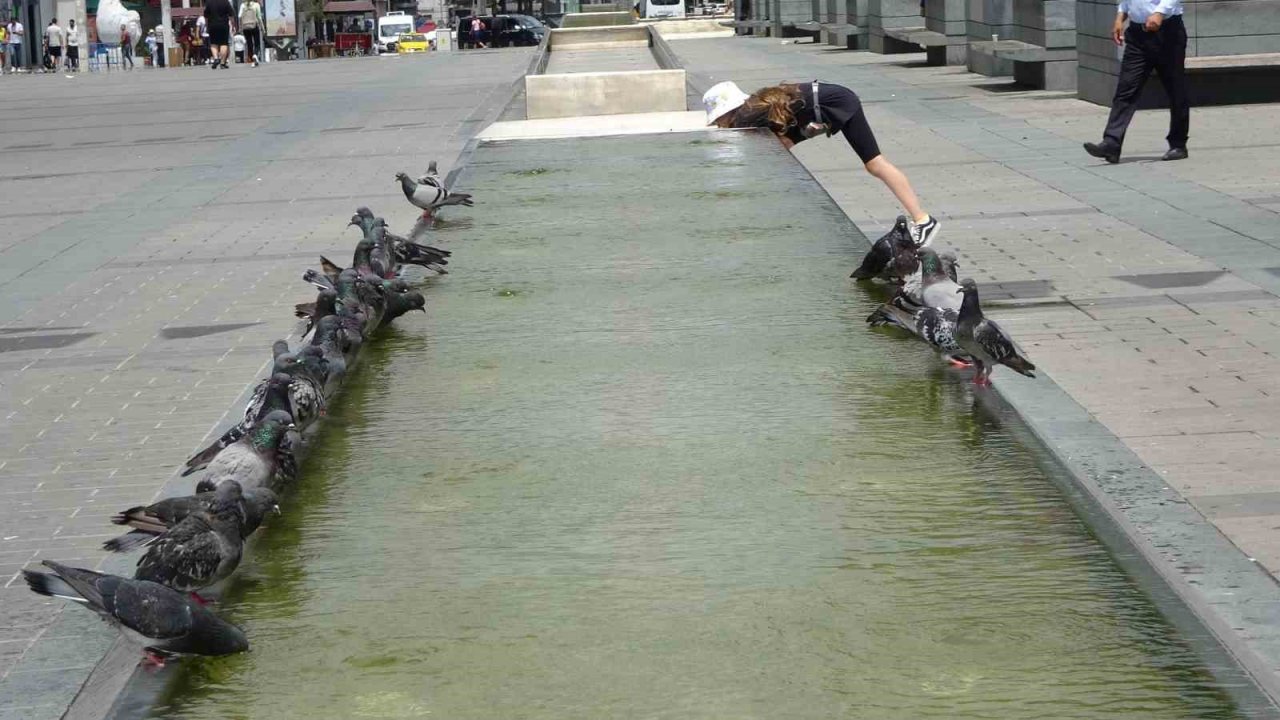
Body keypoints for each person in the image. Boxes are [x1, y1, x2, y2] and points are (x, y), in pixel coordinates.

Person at [704, 81, 941, 248]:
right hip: (826, 103)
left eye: (718, 119)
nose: (718, 125)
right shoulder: (752, 108)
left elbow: (753, 156)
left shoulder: (746, 117)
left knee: (875, 163)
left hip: (835, 102)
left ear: (727, 112)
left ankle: (923, 220)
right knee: (779, 151)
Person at [1085, 0, 1188, 164]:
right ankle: (1111, 143)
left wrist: (1160, 12)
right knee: (1125, 89)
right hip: (1137, 36)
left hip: (1167, 32)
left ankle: (1178, 144)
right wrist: (1120, 17)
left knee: (1175, 90)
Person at [203, 0, 234, 69]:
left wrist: (207, 25)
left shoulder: (209, 2)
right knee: (224, 43)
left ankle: (216, 58)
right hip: (224, 25)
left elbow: (206, 16)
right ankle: (222, 63)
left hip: (212, 25)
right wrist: (233, 25)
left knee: (213, 43)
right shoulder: (225, 2)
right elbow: (231, 15)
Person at [238, 0, 262, 66]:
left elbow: (239, 16)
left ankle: (251, 59)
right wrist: (262, 28)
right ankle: (255, 54)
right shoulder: (256, 5)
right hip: (254, 26)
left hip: (245, 26)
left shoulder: (242, 5)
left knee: (249, 43)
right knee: (257, 43)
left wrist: (240, 27)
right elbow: (259, 17)